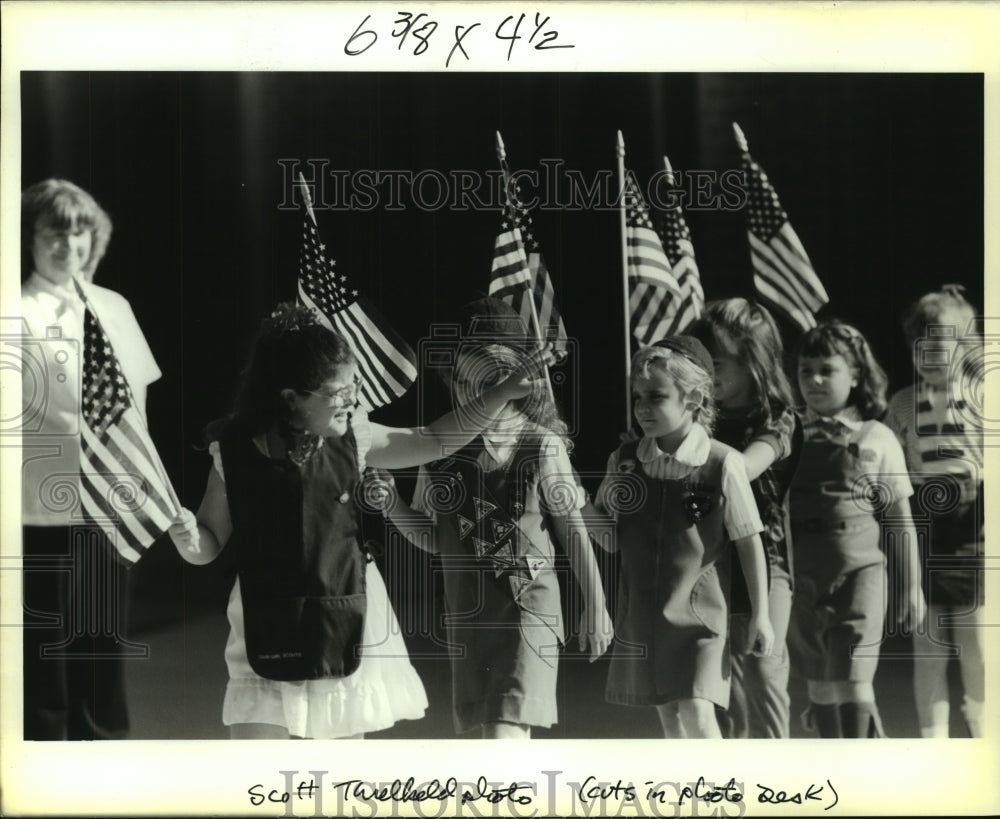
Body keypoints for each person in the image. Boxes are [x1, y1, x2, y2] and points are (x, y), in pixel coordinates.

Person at [167, 301, 554, 739]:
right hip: (265, 613)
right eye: (338, 391)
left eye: (355, 388)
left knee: (341, 771)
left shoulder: (357, 435)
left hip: (348, 605)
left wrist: (500, 392)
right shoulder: (232, 451)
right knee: (256, 764)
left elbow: (436, 439)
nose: (351, 400)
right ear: (291, 398)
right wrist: (186, 537)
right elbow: (207, 543)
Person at [381, 297, 613, 739]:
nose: (473, 392)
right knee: (489, 735)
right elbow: (437, 538)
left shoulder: (542, 445)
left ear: (518, 384)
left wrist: (596, 605)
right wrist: (393, 505)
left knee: (506, 732)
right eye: (462, 380)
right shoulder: (437, 451)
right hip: (468, 613)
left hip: (529, 607)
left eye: (488, 381)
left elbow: (573, 531)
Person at [20, 179, 162, 740]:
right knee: (45, 640)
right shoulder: (14, 310)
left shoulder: (113, 307)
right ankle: (45, 754)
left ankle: (102, 751)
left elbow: (138, 412)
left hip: (109, 504)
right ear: (28, 237)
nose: (69, 245)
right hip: (36, 508)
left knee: (102, 637)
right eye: (55, 232)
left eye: (80, 233)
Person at [593, 336, 774, 739]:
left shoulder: (723, 462)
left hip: (701, 618)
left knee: (696, 711)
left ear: (693, 399)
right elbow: (610, 540)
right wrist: (574, 500)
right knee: (671, 720)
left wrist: (762, 614)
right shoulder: (623, 463)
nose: (641, 407)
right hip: (644, 615)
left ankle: (719, 796)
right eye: (637, 396)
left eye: (655, 396)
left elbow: (748, 540)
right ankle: (689, 800)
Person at [788, 320, 926, 738]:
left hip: (860, 575)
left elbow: (900, 519)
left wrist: (910, 585)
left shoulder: (877, 437)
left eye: (826, 369)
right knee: (818, 681)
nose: (813, 379)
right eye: (804, 369)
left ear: (855, 376)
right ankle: (836, 770)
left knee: (853, 677)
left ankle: (863, 763)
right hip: (801, 577)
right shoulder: (785, 435)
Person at [688, 299, 802, 739]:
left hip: (765, 567)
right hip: (708, 566)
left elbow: (744, 467)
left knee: (763, 674)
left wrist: (681, 447)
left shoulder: (777, 418)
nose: (706, 376)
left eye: (715, 363)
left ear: (752, 359)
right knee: (721, 692)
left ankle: (777, 784)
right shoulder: (700, 417)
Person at [884, 286, 984, 738]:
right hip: (925, 527)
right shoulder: (902, 404)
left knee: (978, 642)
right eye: (918, 340)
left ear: (966, 343)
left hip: (975, 528)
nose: (929, 348)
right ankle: (933, 741)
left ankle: (986, 731)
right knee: (929, 647)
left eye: (941, 337)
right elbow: (890, 468)